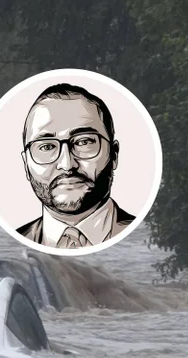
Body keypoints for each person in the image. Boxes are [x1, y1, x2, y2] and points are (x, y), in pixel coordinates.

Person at [16, 83, 134, 249]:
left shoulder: (139, 238)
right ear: (26, 164)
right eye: (47, 147)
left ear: (114, 155)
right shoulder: (13, 244)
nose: (67, 165)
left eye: (84, 142)